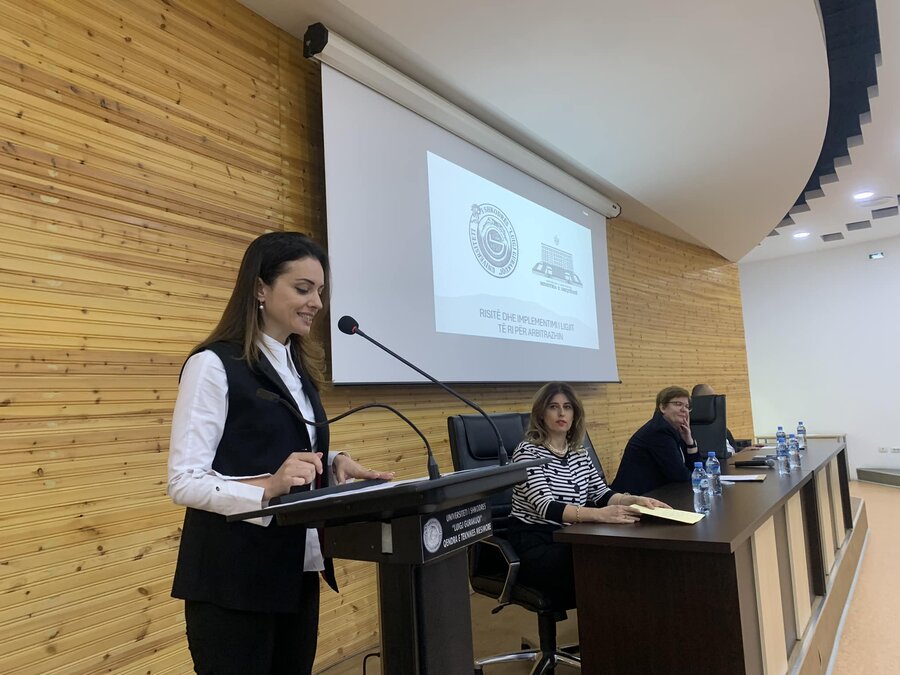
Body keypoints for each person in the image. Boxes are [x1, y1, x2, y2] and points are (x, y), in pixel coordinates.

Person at [167, 231, 394, 675]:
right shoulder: (213, 365)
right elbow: (184, 480)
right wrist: (268, 487)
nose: (317, 303)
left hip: (295, 569)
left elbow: (273, 443)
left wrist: (332, 461)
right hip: (233, 579)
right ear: (260, 288)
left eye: (320, 291)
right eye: (303, 289)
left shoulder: (296, 366)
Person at [507, 382, 668, 607]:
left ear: (575, 414)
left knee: (629, 555)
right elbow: (546, 507)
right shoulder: (527, 452)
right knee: (604, 564)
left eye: (567, 407)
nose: (561, 413)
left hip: (573, 536)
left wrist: (634, 500)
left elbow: (601, 494)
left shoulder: (579, 453)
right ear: (541, 414)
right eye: (553, 407)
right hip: (537, 542)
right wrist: (600, 515)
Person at [611, 386, 701, 495]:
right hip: (633, 498)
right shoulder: (659, 432)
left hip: (655, 493)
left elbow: (698, 469)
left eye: (687, 406)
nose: (684, 409)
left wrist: (689, 442)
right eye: (678, 404)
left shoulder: (676, 429)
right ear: (662, 407)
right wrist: (694, 473)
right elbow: (681, 475)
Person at [691, 383, 738, 453]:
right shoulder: (692, 430)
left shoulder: (720, 426)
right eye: (712, 399)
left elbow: (733, 449)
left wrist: (743, 451)